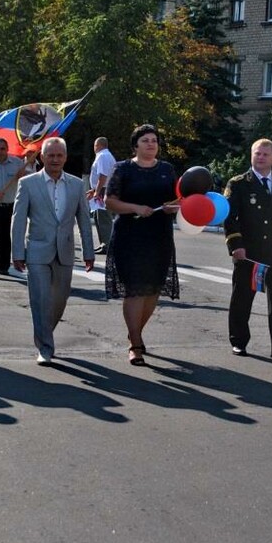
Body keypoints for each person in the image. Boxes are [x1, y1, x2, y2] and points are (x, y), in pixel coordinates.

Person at [11, 138, 95, 365]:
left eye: (59, 155)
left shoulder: (77, 185)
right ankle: (45, 347)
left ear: (66, 157)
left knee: (59, 301)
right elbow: (18, 220)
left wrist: (89, 251)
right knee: (40, 299)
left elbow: (85, 221)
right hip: (37, 250)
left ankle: (44, 332)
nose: (55, 160)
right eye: (51, 155)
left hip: (65, 251)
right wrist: (17, 252)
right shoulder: (28, 184)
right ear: (42, 157)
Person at [104, 124, 179, 366]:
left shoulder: (167, 169)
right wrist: (136, 208)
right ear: (135, 144)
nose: (150, 144)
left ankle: (135, 331)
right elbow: (110, 202)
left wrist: (172, 206)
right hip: (130, 236)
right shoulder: (123, 169)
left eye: (154, 140)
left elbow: (179, 199)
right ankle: (135, 344)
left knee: (154, 289)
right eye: (145, 140)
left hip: (159, 237)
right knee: (135, 289)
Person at [224, 139, 272, 359]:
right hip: (249, 252)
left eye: (265, 155)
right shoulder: (238, 184)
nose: (261, 158)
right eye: (257, 154)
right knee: (242, 298)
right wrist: (235, 246)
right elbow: (230, 219)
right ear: (251, 155)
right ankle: (239, 342)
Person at [0, 138, 33, 277]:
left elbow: (27, 181)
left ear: (7, 148)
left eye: (2, 148)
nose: (0, 152)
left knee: (6, 237)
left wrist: (22, 175)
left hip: (10, 205)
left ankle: (2, 265)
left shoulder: (17, 163)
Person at [87, 136, 117, 255]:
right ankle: (104, 244)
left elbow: (103, 176)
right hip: (102, 189)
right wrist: (94, 189)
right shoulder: (104, 156)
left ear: (98, 145)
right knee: (98, 217)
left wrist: (97, 191)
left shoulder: (103, 156)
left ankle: (107, 245)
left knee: (104, 218)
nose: (94, 148)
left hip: (104, 190)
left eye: (95, 145)